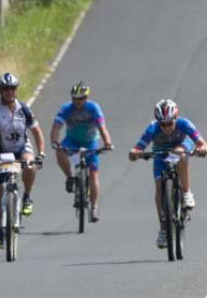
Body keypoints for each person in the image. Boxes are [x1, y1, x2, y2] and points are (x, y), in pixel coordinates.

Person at [0, 72, 46, 249]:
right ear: (0, 91)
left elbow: (37, 132)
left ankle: (27, 197)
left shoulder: (24, 109)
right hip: (1, 154)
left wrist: (42, 153)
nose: (9, 92)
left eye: (12, 89)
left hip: (21, 149)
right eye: (5, 89)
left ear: (16, 90)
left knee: (30, 164)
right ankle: (0, 232)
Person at [129, 99, 207, 248]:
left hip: (182, 146)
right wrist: (135, 153)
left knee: (180, 153)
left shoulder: (185, 124)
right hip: (161, 153)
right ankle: (164, 228)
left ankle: (186, 192)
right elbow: (138, 147)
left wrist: (202, 148)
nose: (166, 128)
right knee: (159, 188)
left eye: (169, 123)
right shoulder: (152, 128)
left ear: (176, 119)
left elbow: (201, 142)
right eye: (162, 124)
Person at [50, 81, 114, 222]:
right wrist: (55, 142)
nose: (77, 102)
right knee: (60, 151)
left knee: (93, 173)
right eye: (75, 99)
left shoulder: (93, 108)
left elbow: (103, 128)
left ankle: (94, 207)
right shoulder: (66, 108)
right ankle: (70, 177)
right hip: (72, 140)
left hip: (90, 142)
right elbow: (56, 127)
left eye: (81, 99)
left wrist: (108, 143)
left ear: (86, 98)